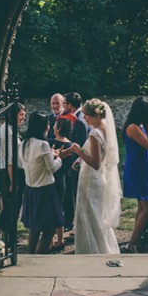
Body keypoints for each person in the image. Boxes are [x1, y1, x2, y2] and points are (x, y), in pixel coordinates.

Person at [65, 98, 122, 254]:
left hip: (91, 180)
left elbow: (96, 163)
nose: (85, 118)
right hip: (99, 178)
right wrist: (81, 159)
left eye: (87, 115)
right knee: (97, 216)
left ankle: (93, 250)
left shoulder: (95, 134)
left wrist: (79, 152)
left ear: (95, 115)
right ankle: (102, 247)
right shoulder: (106, 130)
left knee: (91, 217)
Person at [19, 111, 65, 254]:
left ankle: (30, 254)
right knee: (49, 229)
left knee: (34, 228)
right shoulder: (43, 144)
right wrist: (59, 158)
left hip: (30, 188)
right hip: (45, 190)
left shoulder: (24, 143)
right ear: (44, 126)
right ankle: (39, 257)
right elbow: (52, 168)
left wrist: (51, 155)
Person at [120, 97, 148, 253]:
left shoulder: (137, 126)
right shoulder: (133, 128)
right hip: (139, 169)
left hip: (142, 167)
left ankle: (136, 239)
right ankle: (132, 243)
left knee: (143, 206)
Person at [0, 102, 26, 244]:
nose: (22, 118)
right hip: (11, 173)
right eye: (20, 115)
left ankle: (5, 236)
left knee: (9, 207)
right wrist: (13, 182)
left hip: (10, 171)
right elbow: (10, 160)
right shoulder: (8, 133)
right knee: (11, 207)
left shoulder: (7, 129)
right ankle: (9, 239)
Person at [60, 91, 87, 231]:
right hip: (69, 163)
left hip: (76, 165)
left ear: (70, 105)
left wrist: (75, 164)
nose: (62, 106)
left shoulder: (81, 121)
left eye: (64, 103)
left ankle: (80, 226)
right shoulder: (72, 117)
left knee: (77, 194)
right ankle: (71, 223)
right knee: (70, 195)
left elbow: (82, 144)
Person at [49, 117, 74, 251]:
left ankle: (50, 240)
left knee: (51, 209)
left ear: (58, 128)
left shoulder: (51, 143)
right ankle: (60, 238)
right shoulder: (71, 144)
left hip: (52, 178)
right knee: (60, 209)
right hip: (63, 179)